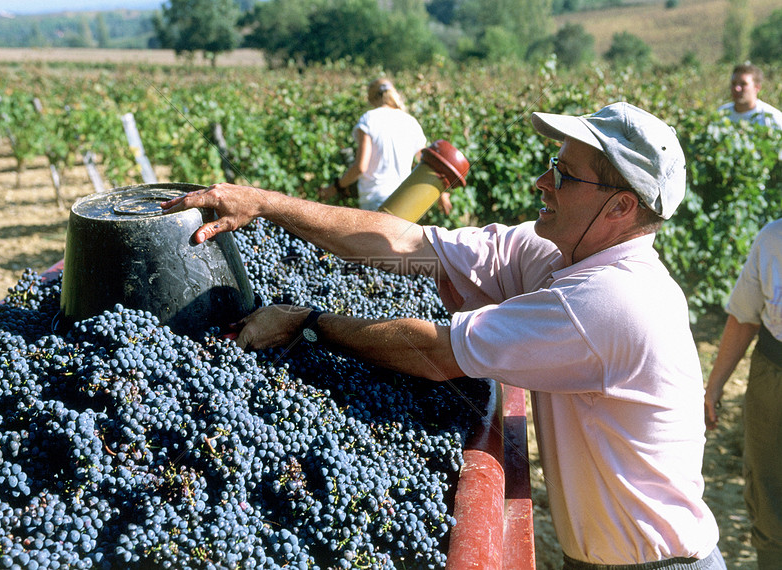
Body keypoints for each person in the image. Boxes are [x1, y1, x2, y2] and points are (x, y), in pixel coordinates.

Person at [161, 102, 725, 568]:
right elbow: (409, 244)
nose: (541, 182)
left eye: (564, 175)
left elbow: (434, 352)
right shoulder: (557, 254)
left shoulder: (613, 301)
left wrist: (308, 324)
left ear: (620, 208)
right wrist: (267, 205)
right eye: (551, 163)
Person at [705, 218, 782, 570]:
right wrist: (715, 385)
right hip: (773, 377)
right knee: (768, 495)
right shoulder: (773, 238)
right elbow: (745, 316)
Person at [319, 77, 451, 214]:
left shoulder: (369, 119)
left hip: (374, 201)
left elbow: (360, 167)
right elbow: (426, 165)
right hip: (403, 203)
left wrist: (335, 187)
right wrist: (441, 194)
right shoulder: (411, 122)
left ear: (371, 99)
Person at [717, 63, 782, 129]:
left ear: (757, 87)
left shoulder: (772, 118)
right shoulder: (721, 114)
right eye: (734, 83)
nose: (737, 88)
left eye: (743, 84)